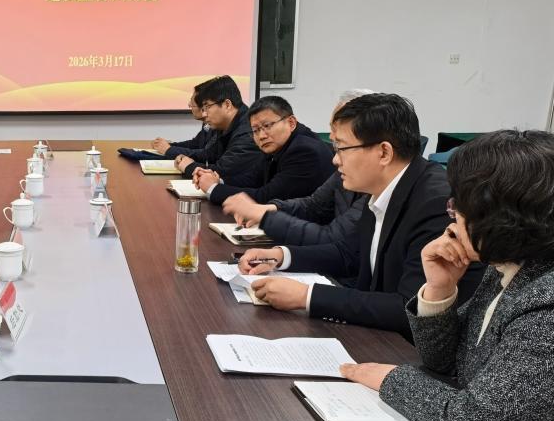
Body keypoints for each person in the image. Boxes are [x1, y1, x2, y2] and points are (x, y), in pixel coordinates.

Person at [340, 130, 554, 421]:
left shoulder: (546, 301)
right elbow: (446, 363)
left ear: (503, 220)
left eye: (460, 206)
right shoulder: (509, 264)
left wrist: (390, 379)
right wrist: (439, 290)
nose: (451, 216)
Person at [237, 93, 483, 338]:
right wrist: (281, 256)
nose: (335, 159)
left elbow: (409, 308)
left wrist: (307, 296)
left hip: (412, 349)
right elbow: (349, 253)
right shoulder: (384, 187)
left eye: (341, 148)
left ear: (384, 153)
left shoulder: (435, 203)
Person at [221, 90, 373, 246]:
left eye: (341, 144)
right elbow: (313, 205)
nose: (331, 136)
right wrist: (269, 209)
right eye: (332, 128)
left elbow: (335, 239)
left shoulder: (306, 150)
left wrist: (266, 217)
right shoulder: (344, 170)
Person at [194, 95, 333, 206]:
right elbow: (254, 178)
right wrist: (218, 180)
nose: (261, 136)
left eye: (267, 126)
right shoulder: (278, 143)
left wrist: (213, 188)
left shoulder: (305, 151)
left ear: (291, 123)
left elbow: (266, 197)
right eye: (255, 130)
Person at [174, 75, 262, 180]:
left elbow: (222, 172)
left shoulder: (248, 132)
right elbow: (210, 154)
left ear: (227, 105)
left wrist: (189, 166)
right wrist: (186, 158)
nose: (204, 114)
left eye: (207, 107)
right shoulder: (225, 126)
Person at [151, 92, 215, 160]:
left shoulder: (217, 126)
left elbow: (208, 155)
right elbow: (195, 143)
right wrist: (168, 146)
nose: (189, 105)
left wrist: (169, 149)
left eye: (192, 102)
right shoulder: (207, 123)